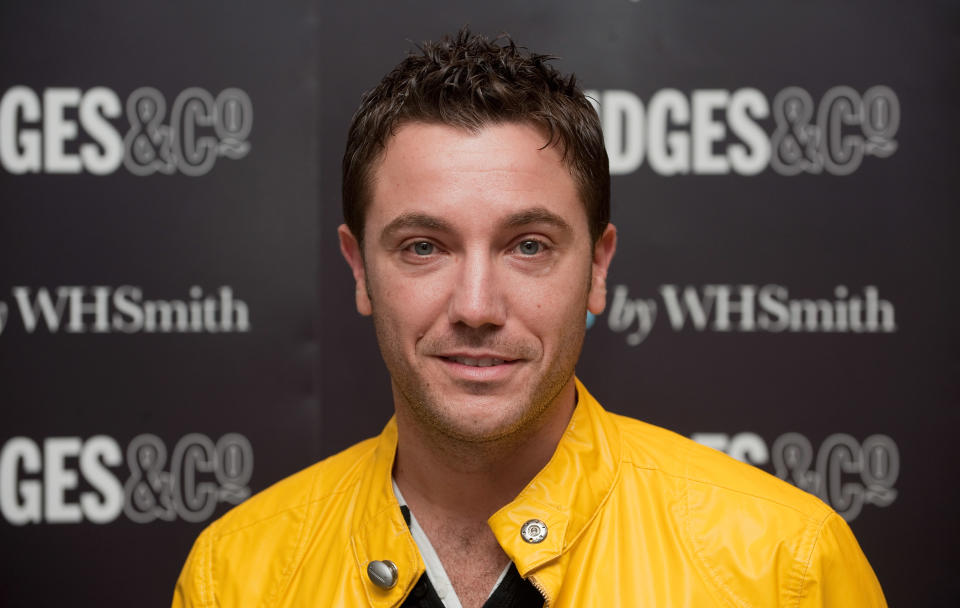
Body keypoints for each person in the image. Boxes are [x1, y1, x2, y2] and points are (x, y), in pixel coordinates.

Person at [172, 30, 886, 607]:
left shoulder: (783, 568)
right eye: (424, 246)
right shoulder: (236, 578)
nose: (477, 307)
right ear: (360, 270)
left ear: (598, 270)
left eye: (529, 246)